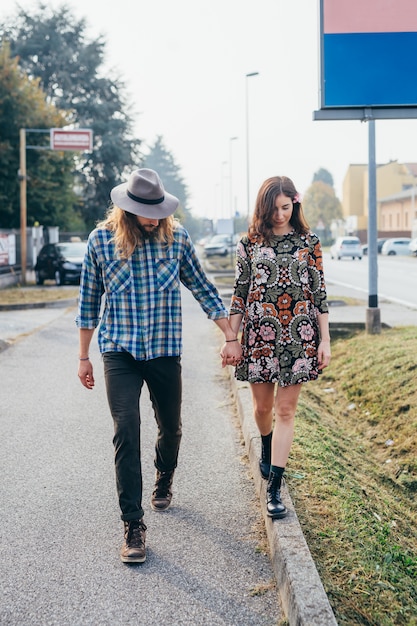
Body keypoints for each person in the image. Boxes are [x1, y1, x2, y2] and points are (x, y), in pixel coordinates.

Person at [76, 168, 242, 563]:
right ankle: (133, 524)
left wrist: (229, 335)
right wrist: (84, 356)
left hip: (165, 349)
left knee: (171, 427)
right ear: (127, 210)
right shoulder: (101, 242)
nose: (152, 219)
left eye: (157, 212)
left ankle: (164, 475)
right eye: (144, 212)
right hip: (119, 351)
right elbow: (87, 305)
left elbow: (203, 287)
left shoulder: (177, 238)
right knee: (126, 431)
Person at [222, 175, 331, 519]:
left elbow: (319, 293)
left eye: (287, 207)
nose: (281, 214)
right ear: (263, 207)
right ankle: (266, 447)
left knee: (286, 411)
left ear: (294, 205)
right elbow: (240, 292)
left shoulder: (309, 242)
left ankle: (274, 488)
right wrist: (230, 338)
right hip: (259, 337)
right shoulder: (248, 244)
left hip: (299, 336)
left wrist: (325, 340)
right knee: (262, 409)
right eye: (275, 208)